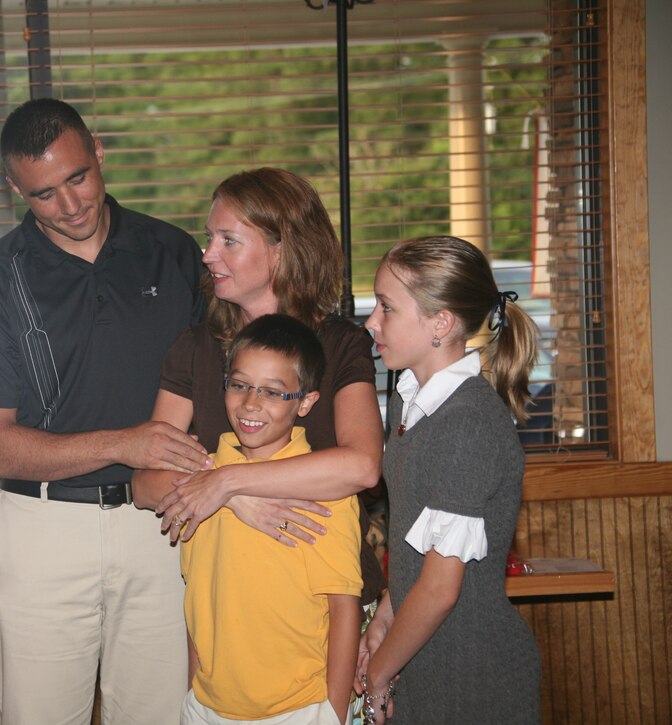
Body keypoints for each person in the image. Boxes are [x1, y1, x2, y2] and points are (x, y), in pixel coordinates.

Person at [0, 98, 210, 724]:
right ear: (15, 189)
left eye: (78, 178)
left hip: (164, 526)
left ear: (98, 150)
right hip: (42, 532)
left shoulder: (175, 254)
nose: (70, 205)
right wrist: (126, 443)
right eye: (43, 194)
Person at [132, 167, 387, 611]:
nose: (209, 255)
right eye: (209, 238)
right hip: (232, 605)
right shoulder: (194, 347)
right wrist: (235, 500)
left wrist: (226, 481)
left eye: (229, 240)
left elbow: (362, 466)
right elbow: (145, 482)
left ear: (282, 250)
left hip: (331, 598)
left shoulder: (342, 344)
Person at [355, 235, 541, 724]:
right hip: (423, 655)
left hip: (471, 673)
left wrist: (377, 676)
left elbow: (440, 589)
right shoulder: (407, 400)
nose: (372, 321)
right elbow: (419, 536)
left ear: (440, 323)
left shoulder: (468, 424)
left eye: (386, 308)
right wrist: (388, 614)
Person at [181, 314, 361, 725]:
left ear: (306, 402)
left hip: (298, 709)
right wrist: (193, 688)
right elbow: (196, 597)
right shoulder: (201, 479)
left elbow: (343, 607)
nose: (250, 403)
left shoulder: (326, 490)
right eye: (240, 385)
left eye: (273, 392)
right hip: (206, 706)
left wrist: (332, 712)